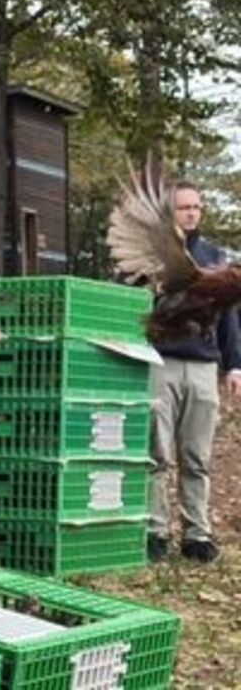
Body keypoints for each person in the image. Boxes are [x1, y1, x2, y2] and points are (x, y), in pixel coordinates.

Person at [146, 180, 241, 563]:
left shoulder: (215, 257)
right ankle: (153, 531)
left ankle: (197, 535)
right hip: (160, 362)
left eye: (196, 207)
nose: (191, 212)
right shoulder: (152, 254)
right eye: (183, 207)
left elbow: (228, 317)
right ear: (171, 212)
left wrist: (235, 364)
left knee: (197, 455)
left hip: (203, 365)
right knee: (155, 453)